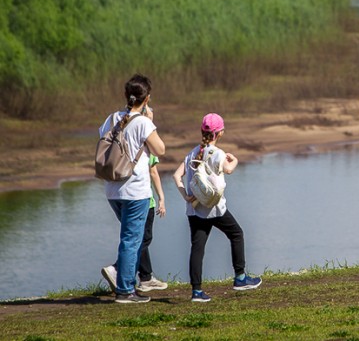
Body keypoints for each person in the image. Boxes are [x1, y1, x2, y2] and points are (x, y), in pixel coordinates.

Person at [172, 112, 261, 303]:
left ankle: (196, 292)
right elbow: (228, 169)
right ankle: (240, 278)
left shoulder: (192, 153)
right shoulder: (217, 153)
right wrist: (235, 159)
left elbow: (176, 176)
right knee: (236, 234)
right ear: (219, 133)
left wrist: (187, 197)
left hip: (195, 210)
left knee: (197, 248)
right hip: (214, 208)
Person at [99, 74, 166, 304]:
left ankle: (129, 282)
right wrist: (149, 119)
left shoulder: (111, 119)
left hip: (112, 190)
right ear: (146, 98)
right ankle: (125, 290)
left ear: (126, 96)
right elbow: (160, 150)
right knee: (131, 240)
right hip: (135, 191)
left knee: (131, 238)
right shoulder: (143, 122)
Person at [101, 155, 169, 293]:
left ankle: (146, 278)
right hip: (142, 200)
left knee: (136, 236)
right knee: (143, 239)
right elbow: (153, 172)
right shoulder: (146, 146)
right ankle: (116, 268)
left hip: (117, 196)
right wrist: (161, 197)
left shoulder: (122, 144)